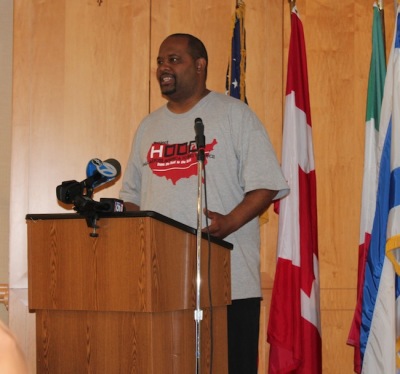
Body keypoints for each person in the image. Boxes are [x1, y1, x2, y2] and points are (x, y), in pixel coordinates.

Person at [119, 33, 289, 374]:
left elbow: (266, 184)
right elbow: (132, 199)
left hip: (229, 284)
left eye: (174, 60)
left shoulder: (234, 115)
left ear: (200, 65)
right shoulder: (149, 127)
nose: (164, 68)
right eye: (160, 62)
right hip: (161, 284)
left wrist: (227, 223)